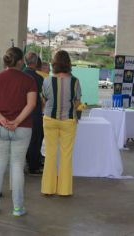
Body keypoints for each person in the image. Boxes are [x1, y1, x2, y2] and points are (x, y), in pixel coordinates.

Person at [0, 47, 37, 216]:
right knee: (17, 166)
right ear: (20, 61)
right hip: (22, 128)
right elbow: (31, 104)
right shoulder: (29, 80)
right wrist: (17, 121)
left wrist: (1, 118)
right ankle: (18, 208)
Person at [41, 50, 81, 196]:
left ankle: (48, 189)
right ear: (68, 64)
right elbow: (77, 102)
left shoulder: (47, 80)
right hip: (68, 121)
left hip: (49, 120)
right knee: (66, 155)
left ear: (54, 64)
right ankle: (64, 190)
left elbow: (44, 100)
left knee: (50, 154)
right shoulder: (75, 81)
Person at [23, 52, 44, 175]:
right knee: (35, 139)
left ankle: (25, 161)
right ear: (36, 63)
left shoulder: (20, 75)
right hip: (34, 113)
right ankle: (34, 166)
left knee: (24, 139)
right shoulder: (38, 78)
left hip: (20, 112)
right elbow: (42, 98)